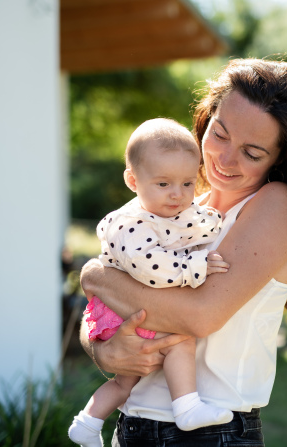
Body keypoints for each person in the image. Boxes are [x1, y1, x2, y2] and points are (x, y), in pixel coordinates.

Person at [79, 58, 287, 446]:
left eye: (252, 153)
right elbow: (110, 306)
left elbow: (200, 315)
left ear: (280, 158)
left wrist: (95, 277)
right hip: (133, 422)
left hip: (210, 433)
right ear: (206, 119)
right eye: (220, 133)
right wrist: (100, 347)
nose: (225, 158)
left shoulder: (276, 205)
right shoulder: (182, 207)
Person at [69, 118, 233, 447]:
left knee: (123, 383)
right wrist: (195, 265)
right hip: (123, 312)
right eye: (163, 184)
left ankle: (86, 423)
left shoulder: (170, 212)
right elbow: (151, 269)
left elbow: (201, 224)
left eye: (188, 183)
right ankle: (187, 407)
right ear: (133, 180)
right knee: (180, 340)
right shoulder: (130, 224)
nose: (178, 194)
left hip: (130, 309)